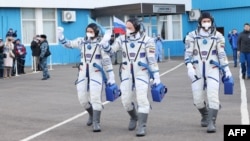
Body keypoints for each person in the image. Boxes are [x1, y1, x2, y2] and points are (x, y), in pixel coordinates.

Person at [102, 18, 162, 137]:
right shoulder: (121, 39)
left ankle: (142, 125)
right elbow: (111, 52)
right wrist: (105, 43)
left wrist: (156, 75)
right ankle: (134, 117)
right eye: (126, 27)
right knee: (125, 100)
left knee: (141, 98)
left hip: (141, 72)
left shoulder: (147, 40)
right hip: (126, 73)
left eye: (129, 27)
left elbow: (151, 59)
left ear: (137, 27)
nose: (127, 30)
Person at [57, 23, 116, 132]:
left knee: (95, 98)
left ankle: (96, 122)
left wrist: (111, 75)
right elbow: (68, 44)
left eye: (91, 31)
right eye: (87, 30)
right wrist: (60, 36)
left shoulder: (100, 43)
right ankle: (91, 114)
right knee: (82, 99)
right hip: (83, 73)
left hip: (96, 73)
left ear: (96, 32)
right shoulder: (81, 41)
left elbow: (107, 60)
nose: (89, 33)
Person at [184, 12, 232, 133]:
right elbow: (188, 53)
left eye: (208, 21)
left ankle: (212, 121)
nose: (206, 23)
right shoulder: (191, 36)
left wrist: (226, 68)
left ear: (212, 21)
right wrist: (189, 66)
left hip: (213, 69)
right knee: (198, 100)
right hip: (197, 69)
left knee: (212, 96)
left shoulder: (218, 36)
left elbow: (222, 53)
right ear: (200, 22)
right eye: (204, 21)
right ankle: (205, 114)